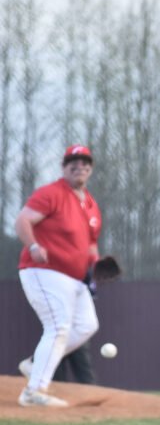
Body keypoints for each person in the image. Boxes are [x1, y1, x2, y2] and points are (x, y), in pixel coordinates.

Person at [13, 145, 103, 408]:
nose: (80, 166)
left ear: (91, 168)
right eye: (73, 162)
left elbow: (90, 245)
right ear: (64, 167)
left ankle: (34, 365)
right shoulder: (52, 193)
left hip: (75, 278)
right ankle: (34, 391)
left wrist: (95, 269)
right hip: (44, 271)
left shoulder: (90, 204)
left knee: (87, 325)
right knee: (59, 326)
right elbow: (22, 221)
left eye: (85, 162)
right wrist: (32, 245)